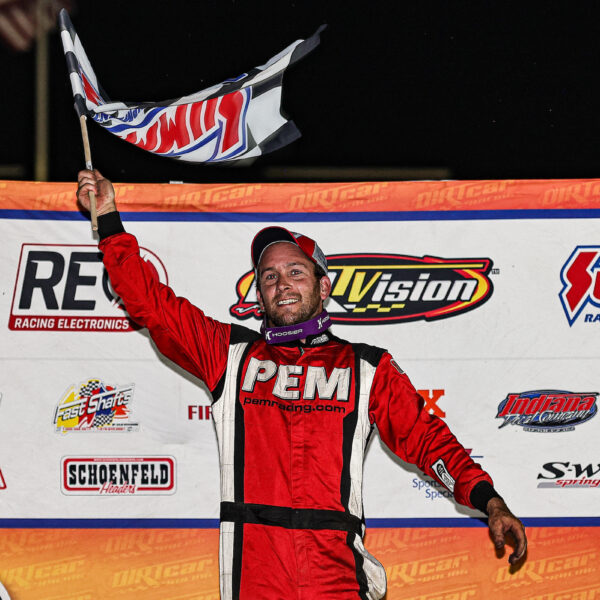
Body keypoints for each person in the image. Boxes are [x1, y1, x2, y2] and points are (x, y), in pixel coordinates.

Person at [77, 169, 527, 600]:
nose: (282, 284)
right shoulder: (229, 355)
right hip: (255, 575)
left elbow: (428, 440)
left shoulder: (365, 367)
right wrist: (110, 219)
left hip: (336, 576)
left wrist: (488, 499)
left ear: (323, 286)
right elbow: (150, 304)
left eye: (295, 271)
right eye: (269, 277)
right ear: (259, 295)